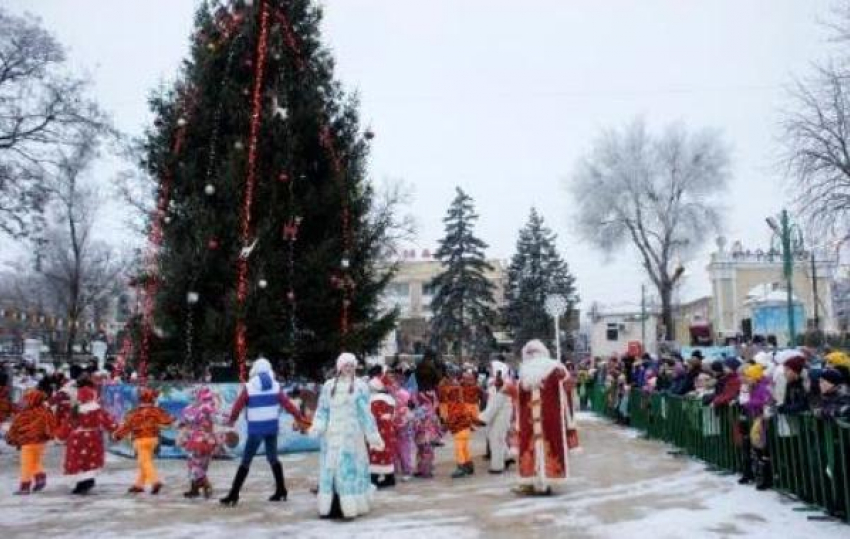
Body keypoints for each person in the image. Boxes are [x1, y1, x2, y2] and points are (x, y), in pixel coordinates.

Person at [220, 357, 310, 506]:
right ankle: (281, 490)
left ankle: (234, 494)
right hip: (271, 428)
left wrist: (232, 419)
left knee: (246, 461)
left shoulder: (249, 387)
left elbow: (238, 405)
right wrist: (299, 416)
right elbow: (287, 404)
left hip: (256, 429)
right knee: (273, 458)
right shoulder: (275, 386)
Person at [309, 353, 385, 520]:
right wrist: (318, 426)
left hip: (351, 437)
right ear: (339, 367)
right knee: (330, 471)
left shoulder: (360, 387)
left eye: (351, 365)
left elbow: (365, 414)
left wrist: (372, 435)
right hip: (331, 437)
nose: (349, 368)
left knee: (348, 471)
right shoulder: (329, 386)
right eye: (346, 365)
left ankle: (350, 505)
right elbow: (323, 410)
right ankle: (330, 506)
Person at [514, 340, 573, 495]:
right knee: (531, 449)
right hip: (531, 418)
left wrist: (564, 378)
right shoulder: (527, 372)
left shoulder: (555, 369)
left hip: (548, 417)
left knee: (546, 448)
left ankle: (544, 483)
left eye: (533, 353)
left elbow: (566, 388)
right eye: (529, 353)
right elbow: (519, 396)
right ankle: (531, 482)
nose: (532, 357)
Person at [57, 386, 117, 494]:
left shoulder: (75, 410)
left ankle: (82, 482)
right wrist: (116, 430)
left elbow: (67, 425)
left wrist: (60, 436)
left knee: (78, 461)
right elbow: (108, 421)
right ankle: (88, 480)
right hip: (93, 438)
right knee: (90, 460)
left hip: (76, 439)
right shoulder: (97, 410)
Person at [114, 387, 174, 494]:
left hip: (140, 440)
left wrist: (117, 435)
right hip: (154, 439)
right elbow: (168, 421)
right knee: (145, 462)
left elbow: (127, 426)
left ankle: (155, 481)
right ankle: (139, 485)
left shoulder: (134, 413)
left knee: (144, 462)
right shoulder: (157, 411)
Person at [5, 389, 55, 494]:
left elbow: (15, 427)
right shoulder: (45, 411)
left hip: (27, 442)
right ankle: (40, 478)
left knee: (26, 464)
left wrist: (11, 438)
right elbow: (51, 424)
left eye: (26, 399)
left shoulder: (25, 414)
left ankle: (25, 486)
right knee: (35, 461)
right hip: (41, 442)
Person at [177, 386, 220, 499]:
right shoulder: (209, 408)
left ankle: (206, 486)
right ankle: (195, 489)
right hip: (204, 440)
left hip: (199, 440)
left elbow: (182, 423)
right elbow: (183, 423)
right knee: (198, 465)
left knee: (195, 465)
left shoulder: (200, 408)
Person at [480, 360, 516, 474]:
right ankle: (507, 456)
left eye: (491, 368)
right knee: (494, 436)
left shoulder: (502, 385)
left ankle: (497, 466)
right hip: (497, 413)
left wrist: (482, 418)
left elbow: (495, 403)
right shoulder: (494, 383)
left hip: (502, 414)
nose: (488, 370)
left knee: (497, 438)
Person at [367, 372, 397, 488]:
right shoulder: (389, 399)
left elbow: (373, 417)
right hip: (388, 430)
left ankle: (373, 479)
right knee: (387, 453)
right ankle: (390, 478)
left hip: (378, 430)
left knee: (376, 452)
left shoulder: (375, 400)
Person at [412, 390, 440, 478]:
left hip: (421, 435)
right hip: (430, 435)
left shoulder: (419, 410)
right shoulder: (431, 409)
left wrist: (415, 431)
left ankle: (422, 471)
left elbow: (416, 424)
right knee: (428, 453)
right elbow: (436, 422)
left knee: (421, 453)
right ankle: (427, 471)